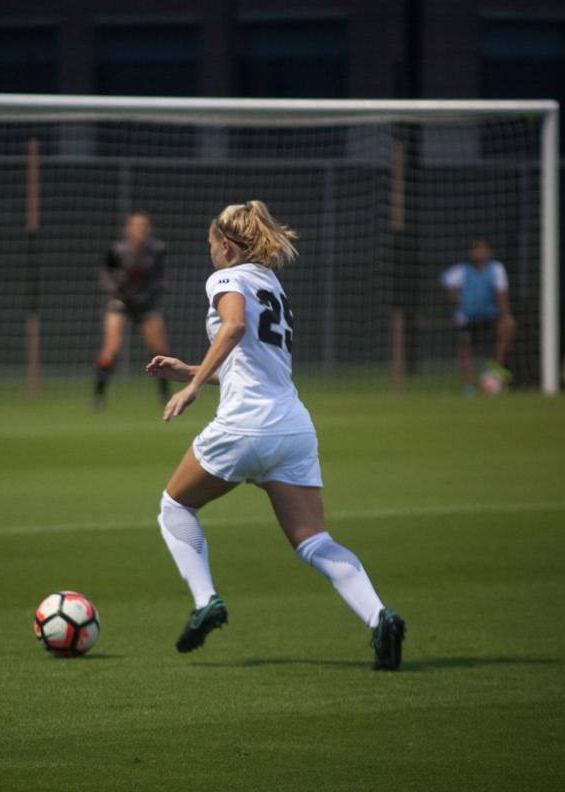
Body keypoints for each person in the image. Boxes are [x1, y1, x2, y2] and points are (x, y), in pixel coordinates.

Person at [146, 200, 406, 670]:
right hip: (292, 427)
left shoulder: (226, 278)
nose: (210, 254)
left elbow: (235, 326)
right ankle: (380, 617)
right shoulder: (273, 285)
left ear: (225, 246)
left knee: (174, 507)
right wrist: (192, 368)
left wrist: (191, 386)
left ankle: (206, 600)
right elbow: (252, 364)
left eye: (210, 245)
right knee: (313, 541)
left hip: (245, 425)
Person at [94, 211, 172, 408]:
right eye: (136, 226)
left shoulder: (158, 250)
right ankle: (98, 396)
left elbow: (161, 277)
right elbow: (105, 272)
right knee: (111, 348)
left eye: (144, 225)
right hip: (121, 303)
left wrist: (155, 291)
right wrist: (113, 288)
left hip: (145, 304)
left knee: (159, 349)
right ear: (128, 229)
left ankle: (165, 395)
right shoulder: (117, 250)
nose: (141, 229)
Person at [440, 238, 516, 395]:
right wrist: (457, 299)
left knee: (508, 324)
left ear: (488, 252)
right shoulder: (462, 270)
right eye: (475, 250)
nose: (478, 253)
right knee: (464, 346)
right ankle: (468, 387)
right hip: (468, 318)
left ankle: (496, 366)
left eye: (481, 249)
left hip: (490, 316)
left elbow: (501, 294)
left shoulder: (496, 269)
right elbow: (445, 281)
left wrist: (505, 314)